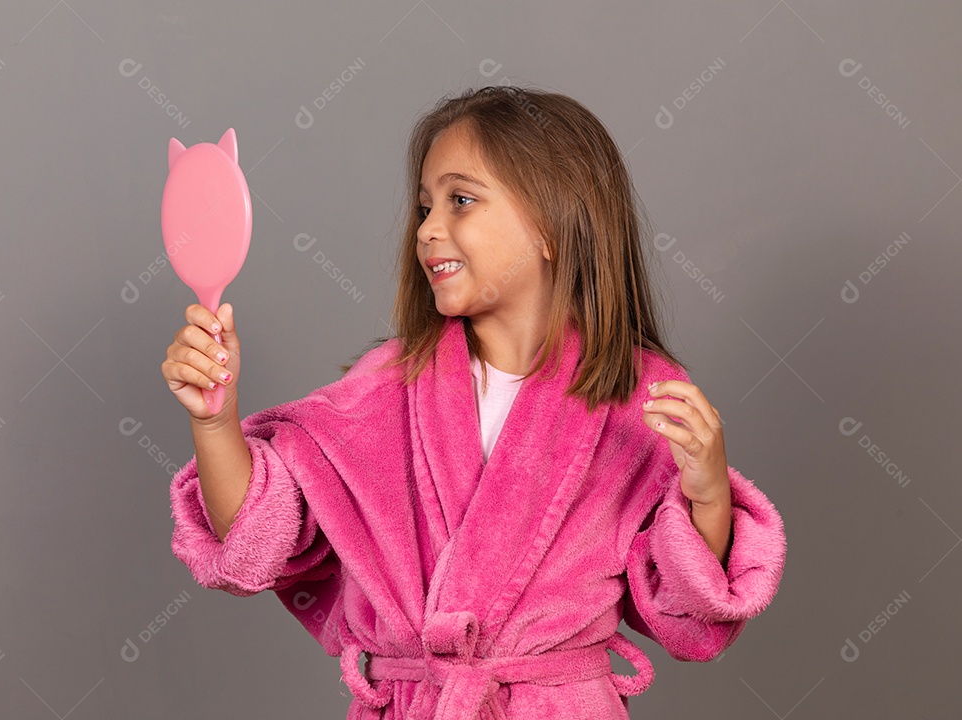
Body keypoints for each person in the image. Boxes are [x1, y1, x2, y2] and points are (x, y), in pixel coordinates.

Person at [160, 85, 787, 719]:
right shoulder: (385, 391)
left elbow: (688, 610)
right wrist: (214, 422)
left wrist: (707, 494)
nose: (428, 230)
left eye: (460, 201)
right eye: (425, 207)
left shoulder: (637, 400)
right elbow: (255, 541)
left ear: (551, 224)